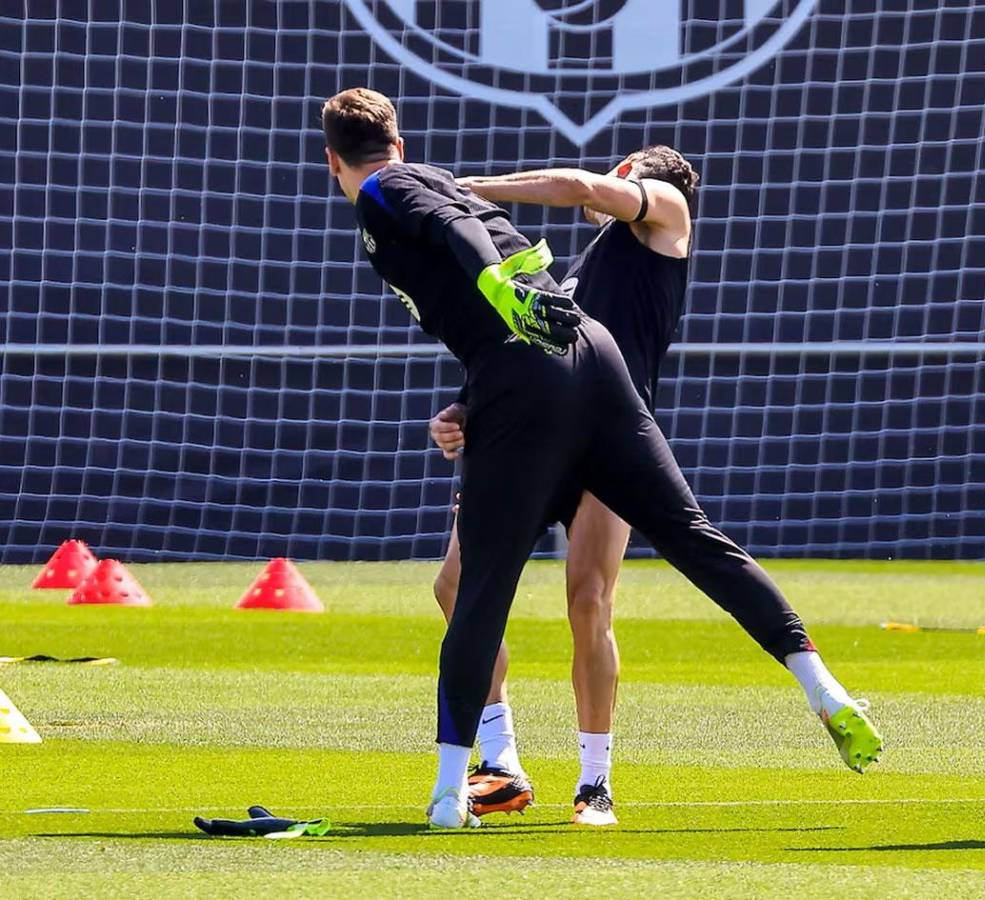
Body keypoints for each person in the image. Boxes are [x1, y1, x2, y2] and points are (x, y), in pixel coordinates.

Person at [321, 87, 882, 831]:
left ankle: (464, 789)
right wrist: (471, 403)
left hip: (553, 397)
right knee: (680, 543)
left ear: (333, 159)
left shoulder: (399, 188)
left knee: (521, 588)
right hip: (583, 379)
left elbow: (479, 232)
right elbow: (516, 300)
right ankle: (820, 682)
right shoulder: (572, 251)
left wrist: (487, 268)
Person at [428, 147, 697, 826]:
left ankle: (595, 782)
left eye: (622, 167)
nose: (607, 178)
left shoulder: (667, 210)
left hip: (611, 441)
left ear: (637, 169)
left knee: (588, 600)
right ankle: (501, 763)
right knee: (455, 583)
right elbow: (527, 350)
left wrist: (465, 187)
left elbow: (581, 184)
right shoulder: (581, 270)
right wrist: (464, 410)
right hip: (532, 438)